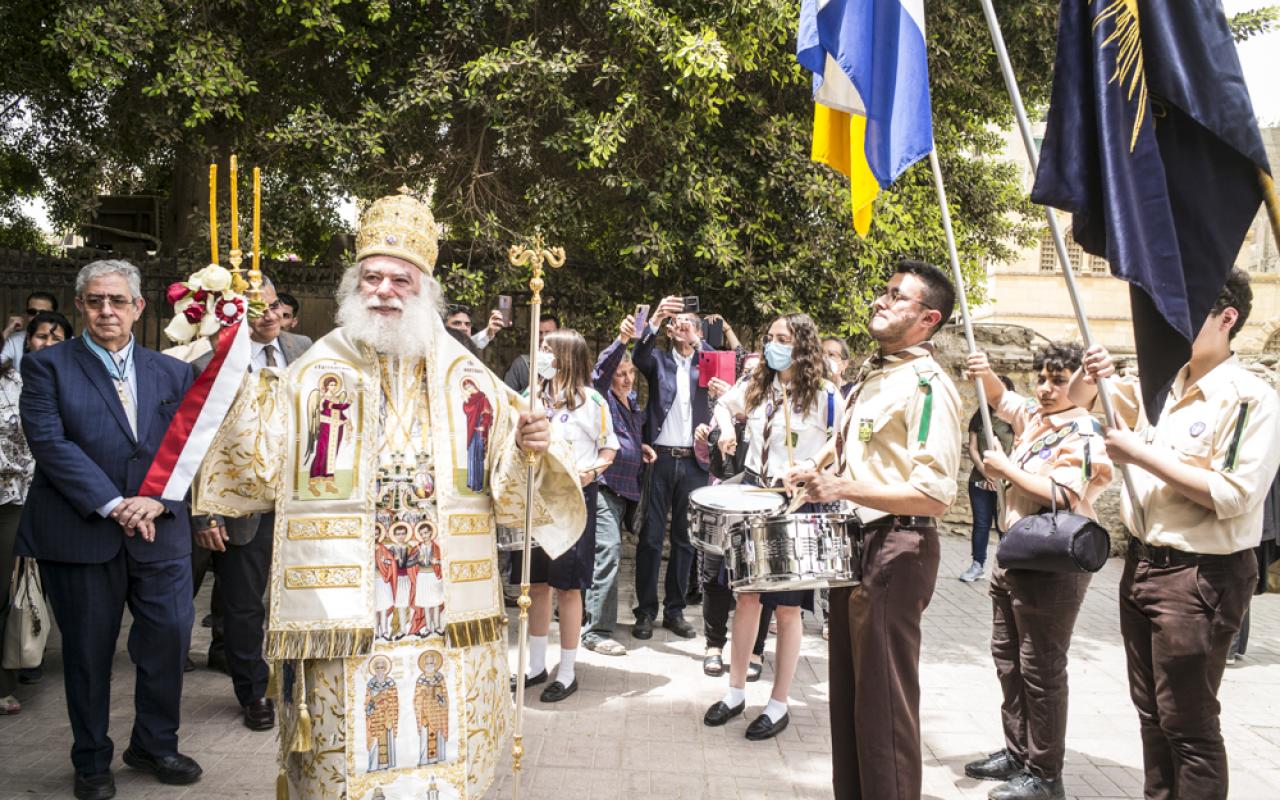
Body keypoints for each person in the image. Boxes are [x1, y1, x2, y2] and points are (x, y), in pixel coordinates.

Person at [195, 190, 585, 799]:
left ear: (425, 289)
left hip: (444, 607)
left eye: (399, 279)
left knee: (443, 755)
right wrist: (231, 360)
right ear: (354, 287)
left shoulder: (470, 377)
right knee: (348, 756)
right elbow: (256, 472)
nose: (383, 290)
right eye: (371, 277)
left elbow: (513, 497)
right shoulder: (311, 374)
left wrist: (529, 444)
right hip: (348, 606)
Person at [1068, 269, 1280, 800]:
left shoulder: (1248, 397)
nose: (1167, 323)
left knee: (1189, 722)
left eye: (1184, 310)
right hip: (1142, 565)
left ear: (1227, 318)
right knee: (1151, 713)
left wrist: (1141, 454)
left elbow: (1233, 494)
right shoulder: (1161, 383)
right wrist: (1095, 373)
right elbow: (1078, 398)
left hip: (1199, 575)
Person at [17, 261, 201, 799]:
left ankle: (154, 743)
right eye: (95, 300)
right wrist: (115, 503)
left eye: (118, 301)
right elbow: (51, 445)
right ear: (80, 306)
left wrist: (157, 501)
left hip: (160, 530)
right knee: (88, 653)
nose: (106, 311)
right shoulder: (47, 367)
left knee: (169, 640)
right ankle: (92, 758)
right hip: (81, 533)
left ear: (139, 307)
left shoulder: (172, 372)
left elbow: (186, 448)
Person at [785, 260, 962, 800]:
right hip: (855, 544)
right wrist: (813, 468)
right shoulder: (874, 374)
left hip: (897, 546)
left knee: (884, 707)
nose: (882, 302)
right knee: (851, 701)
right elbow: (850, 445)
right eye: (884, 292)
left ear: (928, 318)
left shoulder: (929, 385)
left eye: (897, 297)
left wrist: (841, 490)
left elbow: (935, 495)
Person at [963, 344, 1115, 800]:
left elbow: (1065, 494)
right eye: (1042, 378)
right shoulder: (1035, 415)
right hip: (1015, 553)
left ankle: (1045, 773)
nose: (1047, 389)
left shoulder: (1086, 429)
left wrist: (1006, 468)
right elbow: (999, 399)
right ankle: (1017, 753)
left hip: (1053, 561)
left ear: (1081, 382)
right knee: (1008, 659)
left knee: (1041, 668)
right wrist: (985, 371)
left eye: (1058, 379)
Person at [702, 312, 840, 741]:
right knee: (745, 598)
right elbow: (725, 405)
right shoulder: (759, 384)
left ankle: (778, 703)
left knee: (785, 607)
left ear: (802, 344)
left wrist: (812, 463)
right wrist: (726, 430)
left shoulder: (824, 394)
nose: (773, 344)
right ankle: (735, 691)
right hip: (751, 496)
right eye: (770, 337)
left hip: (792, 503)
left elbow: (842, 437)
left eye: (782, 338)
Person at [189, 281, 312, 731]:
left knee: (300, 597)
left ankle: (300, 682)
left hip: (302, 501)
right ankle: (253, 691)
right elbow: (196, 443)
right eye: (253, 307)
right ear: (233, 313)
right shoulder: (211, 362)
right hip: (241, 507)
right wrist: (204, 511)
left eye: (274, 304)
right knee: (243, 603)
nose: (267, 315)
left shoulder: (305, 349)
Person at [514, 329, 617, 701]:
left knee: (568, 587)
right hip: (536, 498)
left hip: (574, 499)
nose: (540, 354)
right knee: (536, 584)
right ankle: (535, 665)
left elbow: (609, 450)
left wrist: (592, 473)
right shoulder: (529, 397)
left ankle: (568, 670)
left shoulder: (591, 401)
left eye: (546, 349)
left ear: (565, 357)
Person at [1, 311, 73, 713]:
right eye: (41, 336)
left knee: (48, 582)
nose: (47, 343)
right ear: (28, 340)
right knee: (11, 583)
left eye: (56, 337)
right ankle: (11, 671)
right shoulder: (7, 379)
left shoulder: (75, 382)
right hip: (11, 494)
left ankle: (33, 653)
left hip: (57, 493)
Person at [630, 297, 712, 640]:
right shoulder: (660, 361)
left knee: (685, 539)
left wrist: (697, 341)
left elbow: (726, 364)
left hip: (694, 461)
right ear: (669, 329)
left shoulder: (704, 364)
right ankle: (645, 611)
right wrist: (656, 317)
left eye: (690, 324)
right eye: (678, 323)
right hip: (659, 457)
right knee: (650, 537)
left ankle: (675, 610)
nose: (684, 327)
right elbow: (638, 355)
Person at [583, 313, 655, 656]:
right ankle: (595, 632)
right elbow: (598, 372)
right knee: (608, 552)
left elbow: (624, 436)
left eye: (629, 373)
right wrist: (622, 340)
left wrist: (639, 448)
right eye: (620, 374)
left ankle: (592, 619)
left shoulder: (631, 403)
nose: (626, 379)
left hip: (628, 490)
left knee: (606, 554)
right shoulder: (602, 397)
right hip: (604, 485)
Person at [960, 375, 1016, 583]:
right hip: (980, 479)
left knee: (1005, 525)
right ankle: (977, 565)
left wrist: (1002, 472)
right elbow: (973, 448)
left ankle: (1007, 567)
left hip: (1006, 481)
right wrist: (986, 471)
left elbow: (1017, 448)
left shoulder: (1014, 420)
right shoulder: (979, 417)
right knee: (981, 524)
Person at [1, 291, 58, 370]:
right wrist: (7, 331)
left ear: (54, 315)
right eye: (32, 312)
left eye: (43, 313)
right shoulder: (15, 340)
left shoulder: (67, 339)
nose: (37, 317)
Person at [504, 313, 559, 392]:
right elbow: (506, 396)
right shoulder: (521, 364)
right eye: (539, 333)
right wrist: (528, 392)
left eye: (548, 333)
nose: (543, 337)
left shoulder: (566, 364)